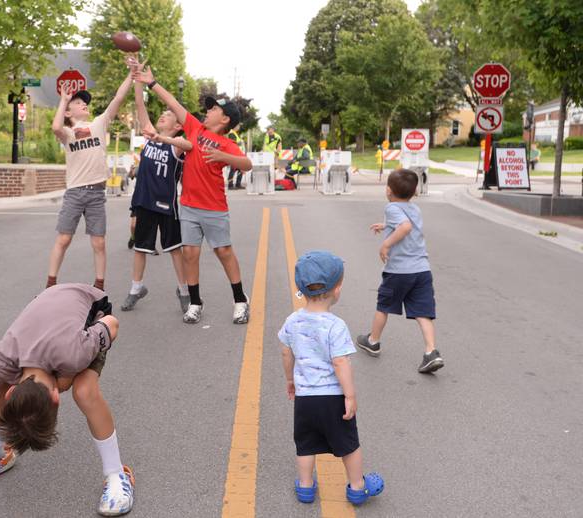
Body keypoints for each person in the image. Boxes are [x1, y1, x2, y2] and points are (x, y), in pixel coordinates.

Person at [0, 284, 135, 516]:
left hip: (88, 304)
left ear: (56, 397)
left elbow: (113, 324)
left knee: (84, 391)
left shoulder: (76, 352)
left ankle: (117, 473)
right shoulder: (0, 358)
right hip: (47, 304)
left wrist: (70, 375)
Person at [133, 64, 253, 324]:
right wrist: (152, 83)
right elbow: (173, 103)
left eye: (213, 109)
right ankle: (196, 302)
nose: (207, 112)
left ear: (225, 120)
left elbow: (247, 165)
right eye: (208, 108)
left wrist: (223, 156)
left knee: (223, 252)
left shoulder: (228, 144)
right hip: (188, 205)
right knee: (190, 253)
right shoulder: (195, 128)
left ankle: (240, 299)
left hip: (214, 208)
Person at [279, 250, 384, 506]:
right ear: (337, 289)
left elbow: (285, 352)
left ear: (301, 289)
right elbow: (340, 362)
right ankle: (358, 487)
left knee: (305, 444)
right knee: (348, 444)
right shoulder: (335, 325)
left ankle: (305, 487)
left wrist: (290, 380)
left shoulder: (292, 321)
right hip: (333, 399)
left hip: (305, 399)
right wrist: (350, 394)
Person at [46, 63, 134, 291]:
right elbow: (56, 126)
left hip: (96, 193)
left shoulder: (98, 123)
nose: (84, 103)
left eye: (84, 101)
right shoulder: (67, 133)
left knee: (99, 242)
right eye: (78, 102)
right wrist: (64, 100)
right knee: (64, 239)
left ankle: (99, 286)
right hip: (75, 192)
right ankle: (50, 283)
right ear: (68, 111)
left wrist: (131, 75)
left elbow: (118, 98)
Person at [356, 169, 444, 374]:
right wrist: (386, 226)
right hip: (422, 270)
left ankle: (373, 341)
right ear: (413, 193)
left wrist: (385, 244)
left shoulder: (391, 207)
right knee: (423, 312)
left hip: (399, 271)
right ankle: (431, 352)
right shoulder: (415, 208)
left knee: (383, 306)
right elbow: (407, 224)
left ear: (388, 190)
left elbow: (404, 227)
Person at [120, 76, 192, 313]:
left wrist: (170, 127)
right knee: (141, 248)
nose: (163, 115)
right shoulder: (150, 134)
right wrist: (137, 79)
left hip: (166, 205)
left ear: (178, 124)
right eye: (162, 113)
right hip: (144, 202)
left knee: (174, 249)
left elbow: (188, 140)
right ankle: (135, 288)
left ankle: (183, 291)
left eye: (168, 114)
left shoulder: (177, 144)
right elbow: (140, 104)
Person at [226, 125, 246, 190]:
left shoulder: (235, 134)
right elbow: (233, 144)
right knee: (233, 169)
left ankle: (238, 184)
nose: (239, 127)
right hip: (235, 154)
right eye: (237, 126)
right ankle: (230, 185)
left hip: (239, 154)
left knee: (240, 169)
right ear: (234, 126)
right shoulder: (232, 133)